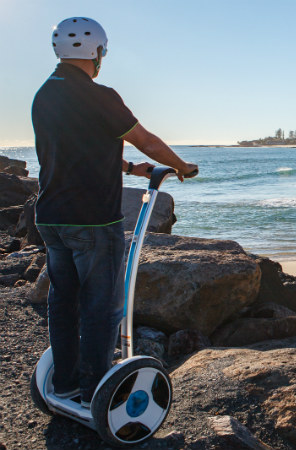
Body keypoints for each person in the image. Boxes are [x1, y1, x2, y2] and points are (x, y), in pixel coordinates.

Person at [31, 17, 197, 408]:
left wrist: (128, 170)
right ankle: (96, 390)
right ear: (98, 52)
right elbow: (145, 140)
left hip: (51, 216)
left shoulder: (44, 94)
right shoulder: (100, 95)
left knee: (63, 301)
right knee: (102, 305)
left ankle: (68, 381)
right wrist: (182, 166)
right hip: (92, 218)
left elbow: (74, 147)